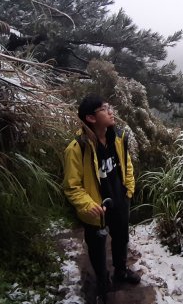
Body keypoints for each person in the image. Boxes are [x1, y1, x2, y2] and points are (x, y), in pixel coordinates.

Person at [63, 94, 140, 302]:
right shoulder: (78, 147)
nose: (110, 111)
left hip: (119, 200)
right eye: (104, 109)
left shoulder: (118, 137)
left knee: (121, 239)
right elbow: (72, 186)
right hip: (96, 208)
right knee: (97, 248)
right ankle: (102, 280)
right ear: (91, 118)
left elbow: (127, 165)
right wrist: (88, 204)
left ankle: (121, 271)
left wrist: (128, 191)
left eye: (109, 107)